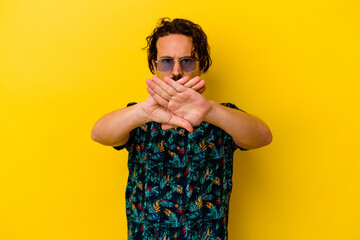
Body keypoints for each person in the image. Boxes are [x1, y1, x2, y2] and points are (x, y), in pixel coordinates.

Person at [91, 17, 272, 240]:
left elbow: (263, 136)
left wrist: (211, 112)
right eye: (166, 61)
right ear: (154, 67)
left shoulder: (221, 118)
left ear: (201, 66)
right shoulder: (138, 119)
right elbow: (98, 133)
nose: (176, 71)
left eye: (187, 61)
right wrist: (145, 111)